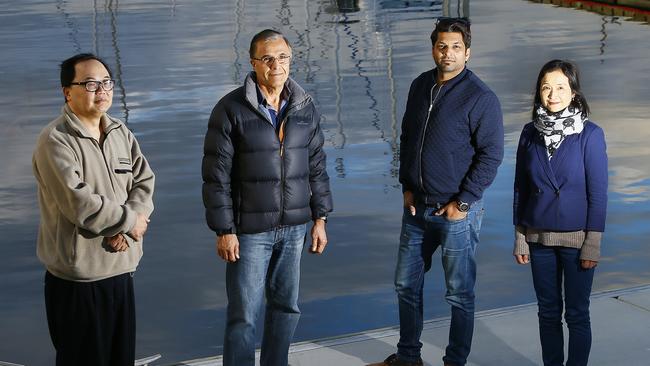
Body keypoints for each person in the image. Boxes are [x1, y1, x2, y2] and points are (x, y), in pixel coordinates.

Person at [370, 17, 504, 366]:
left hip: (456, 212)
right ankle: (408, 357)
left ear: (468, 52)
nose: (448, 53)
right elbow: (406, 138)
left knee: (459, 294)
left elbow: (492, 156)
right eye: (442, 46)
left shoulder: (481, 97)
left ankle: (455, 361)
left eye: (456, 47)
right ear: (434, 48)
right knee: (405, 284)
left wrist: (463, 202)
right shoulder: (419, 86)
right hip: (416, 210)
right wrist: (407, 187)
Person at [201, 29, 333, 366]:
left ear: (291, 59)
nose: (276, 65)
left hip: (294, 228)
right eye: (267, 58)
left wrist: (320, 218)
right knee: (244, 313)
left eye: (283, 57)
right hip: (249, 232)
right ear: (253, 62)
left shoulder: (305, 106)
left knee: (287, 308)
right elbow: (215, 177)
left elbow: (316, 166)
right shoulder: (230, 109)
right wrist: (224, 229)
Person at [32, 53, 155, 365]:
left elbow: (144, 181)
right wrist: (129, 222)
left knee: (121, 358)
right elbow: (79, 204)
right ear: (67, 92)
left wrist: (129, 226)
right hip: (78, 280)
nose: (101, 90)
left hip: (121, 269)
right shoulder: (55, 140)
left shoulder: (120, 132)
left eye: (105, 82)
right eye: (89, 83)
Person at [513, 59, 607, 366]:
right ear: (539, 93)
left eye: (560, 87)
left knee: (577, 314)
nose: (553, 95)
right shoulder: (529, 133)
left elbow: (598, 194)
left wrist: (592, 243)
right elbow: (520, 189)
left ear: (574, 93)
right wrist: (520, 236)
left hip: (578, 240)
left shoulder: (590, 135)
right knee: (547, 312)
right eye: (546, 88)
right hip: (538, 237)